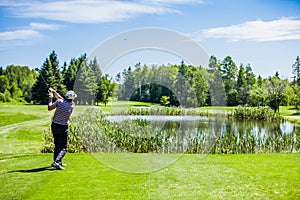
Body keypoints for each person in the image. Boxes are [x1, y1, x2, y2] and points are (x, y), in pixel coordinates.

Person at [48, 88, 77, 170]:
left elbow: (50, 107)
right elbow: (61, 98)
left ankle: (57, 161)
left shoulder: (59, 102)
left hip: (55, 125)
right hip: (63, 127)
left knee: (57, 145)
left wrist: (51, 96)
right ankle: (57, 162)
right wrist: (54, 92)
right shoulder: (72, 105)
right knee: (64, 147)